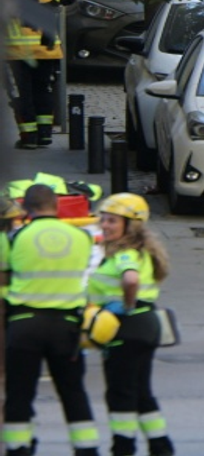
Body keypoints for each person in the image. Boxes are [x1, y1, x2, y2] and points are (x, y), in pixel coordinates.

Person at [1, 184, 102, 456]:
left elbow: (5, 277)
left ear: (25, 208)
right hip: (67, 326)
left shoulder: (15, 237)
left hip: (24, 324)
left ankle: (18, 448)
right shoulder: (81, 236)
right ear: (57, 206)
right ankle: (87, 449)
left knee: (20, 393)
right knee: (73, 392)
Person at [87, 193, 175, 456]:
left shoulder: (126, 253)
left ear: (131, 225)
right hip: (145, 324)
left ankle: (123, 447)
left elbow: (131, 280)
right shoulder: (138, 251)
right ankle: (160, 445)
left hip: (126, 326)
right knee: (140, 392)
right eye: (103, 220)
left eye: (112, 221)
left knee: (120, 393)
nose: (104, 225)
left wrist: (125, 306)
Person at [6, 0, 73, 149]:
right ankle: (44, 134)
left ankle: (28, 136)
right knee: (42, 89)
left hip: (17, 51)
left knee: (22, 93)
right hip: (46, 49)